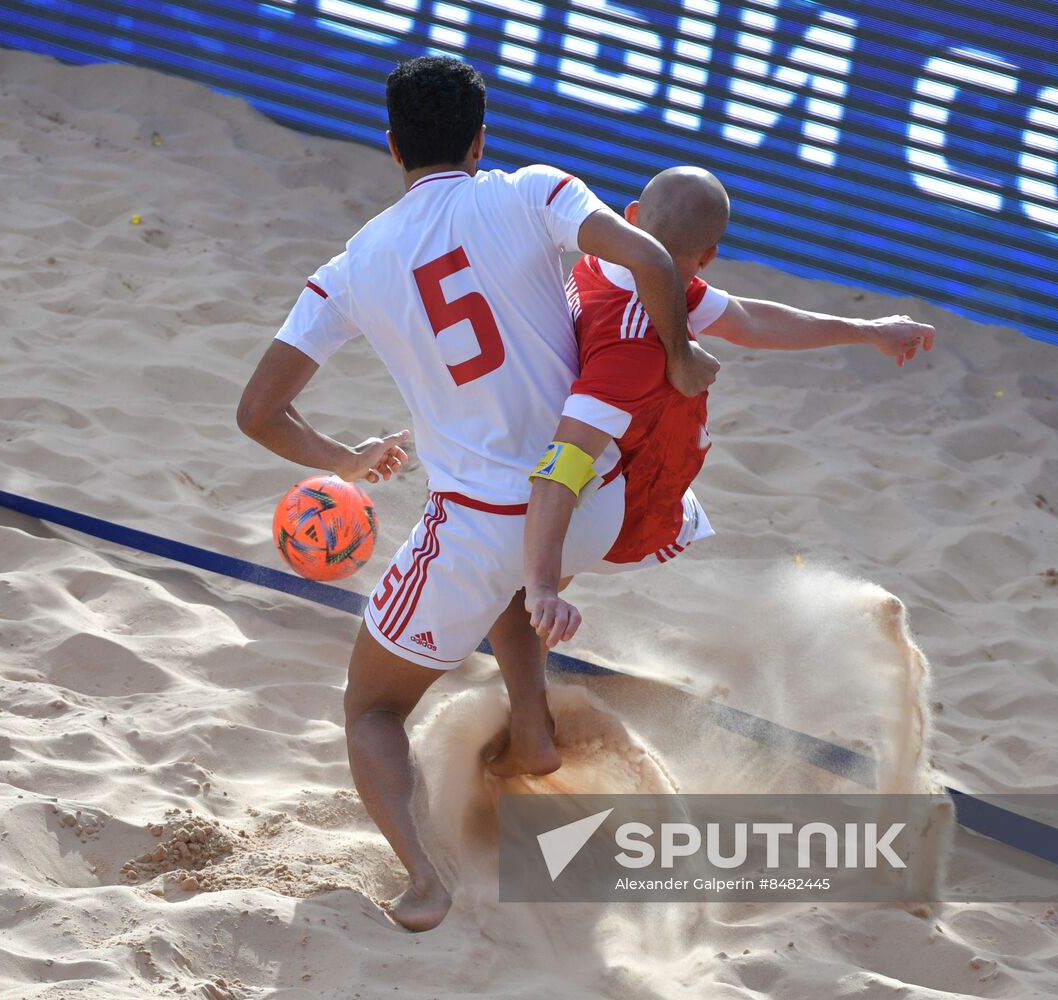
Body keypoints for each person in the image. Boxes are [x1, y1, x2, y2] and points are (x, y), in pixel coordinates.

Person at [237, 58, 719, 931]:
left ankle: (424, 880)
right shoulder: (531, 189)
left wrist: (343, 460)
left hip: (485, 527)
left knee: (371, 708)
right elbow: (650, 253)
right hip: (588, 501)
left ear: (390, 148)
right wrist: (681, 356)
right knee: (511, 580)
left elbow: (259, 414)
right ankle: (531, 729)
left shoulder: (350, 267)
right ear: (479, 139)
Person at [522, 165, 937, 648]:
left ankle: (523, 625)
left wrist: (870, 331)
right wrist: (544, 589)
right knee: (550, 572)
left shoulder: (603, 260)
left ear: (631, 218)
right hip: (613, 501)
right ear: (708, 257)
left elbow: (750, 320)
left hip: (562, 444)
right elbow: (564, 466)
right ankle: (525, 636)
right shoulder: (635, 344)